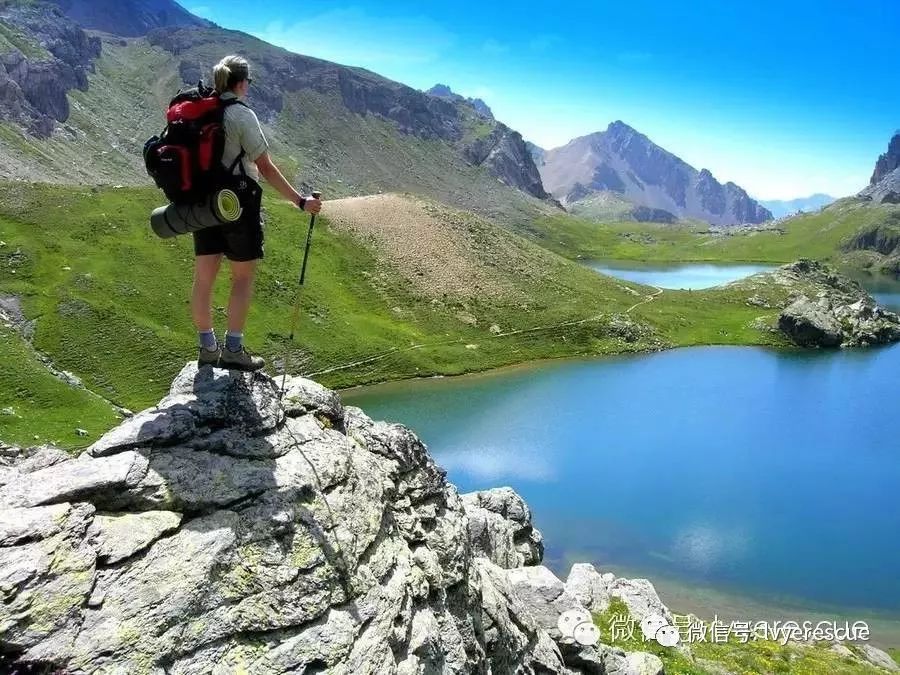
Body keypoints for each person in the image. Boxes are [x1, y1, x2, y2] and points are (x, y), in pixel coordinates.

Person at [192, 54, 322, 371]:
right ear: (240, 83)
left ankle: (207, 348)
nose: (248, 86)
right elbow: (265, 167)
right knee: (242, 277)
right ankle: (233, 350)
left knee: (203, 279)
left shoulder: (201, 111)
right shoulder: (241, 115)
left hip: (203, 203)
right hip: (237, 204)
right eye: (248, 81)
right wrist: (300, 201)